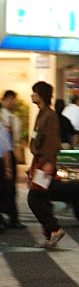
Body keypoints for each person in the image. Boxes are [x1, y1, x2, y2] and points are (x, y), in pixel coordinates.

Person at [28, 82, 64, 249]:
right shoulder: (42, 114)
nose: (32, 95)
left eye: (34, 92)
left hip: (45, 162)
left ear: (41, 95)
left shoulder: (50, 115)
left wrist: (49, 162)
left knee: (34, 197)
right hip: (40, 161)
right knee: (42, 197)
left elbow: (53, 141)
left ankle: (54, 228)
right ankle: (50, 235)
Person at [0, 90, 24, 228]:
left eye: (13, 99)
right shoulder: (2, 117)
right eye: (9, 99)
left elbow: (16, 140)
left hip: (10, 153)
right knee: (5, 187)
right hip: (3, 154)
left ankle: (13, 217)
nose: (11, 102)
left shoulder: (15, 118)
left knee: (11, 187)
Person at [0, 124, 13, 231]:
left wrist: (8, 168)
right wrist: (8, 169)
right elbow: (6, 151)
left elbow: (6, 152)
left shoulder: (2, 129)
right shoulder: (2, 129)